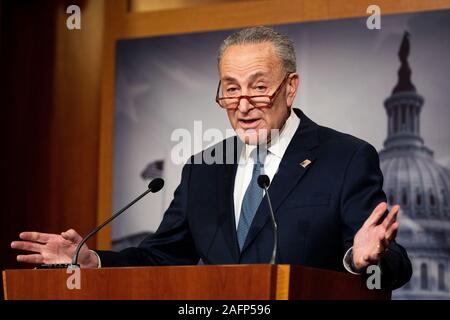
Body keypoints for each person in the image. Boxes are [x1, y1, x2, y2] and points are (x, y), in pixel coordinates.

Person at [11, 26, 412, 289]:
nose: (243, 104)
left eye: (258, 87)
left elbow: (394, 264)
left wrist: (359, 259)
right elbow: (162, 257)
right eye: (230, 89)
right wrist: (94, 260)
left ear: (290, 89)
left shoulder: (346, 157)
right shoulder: (205, 167)